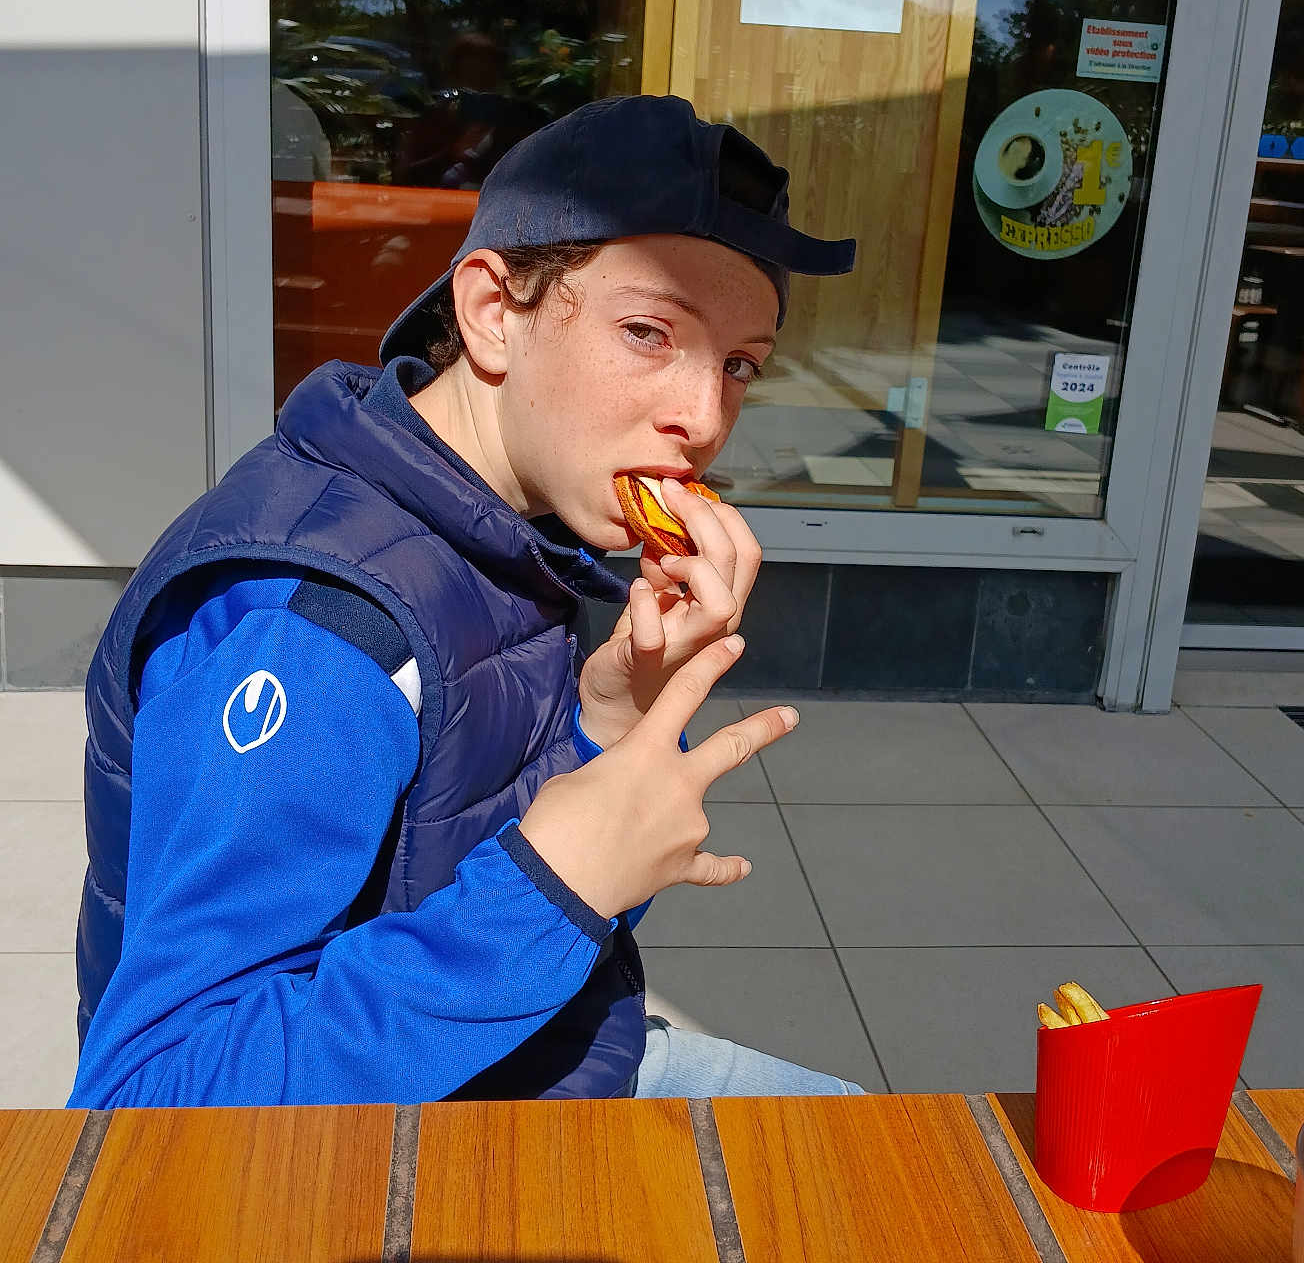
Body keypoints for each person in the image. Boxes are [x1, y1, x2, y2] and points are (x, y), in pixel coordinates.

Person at [69, 94, 860, 1108]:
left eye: (740, 364)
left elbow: (450, 868)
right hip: (381, 1175)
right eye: (650, 332)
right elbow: (151, 1101)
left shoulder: (501, 528)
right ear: (492, 311)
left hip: (526, 1074)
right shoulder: (319, 628)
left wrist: (605, 721)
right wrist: (552, 893)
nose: (703, 418)